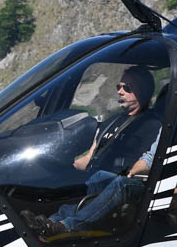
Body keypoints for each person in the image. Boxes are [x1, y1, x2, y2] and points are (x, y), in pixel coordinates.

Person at [31, 65, 160, 238]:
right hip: (100, 178)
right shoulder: (111, 121)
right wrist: (60, 167)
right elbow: (90, 157)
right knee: (92, 180)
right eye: (119, 87)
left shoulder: (154, 125)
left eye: (127, 88)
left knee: (116, 183)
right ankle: (48, 224)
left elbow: (151, 161)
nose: (120, 92)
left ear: (143, 92)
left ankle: (67, 227)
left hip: (129, 185)